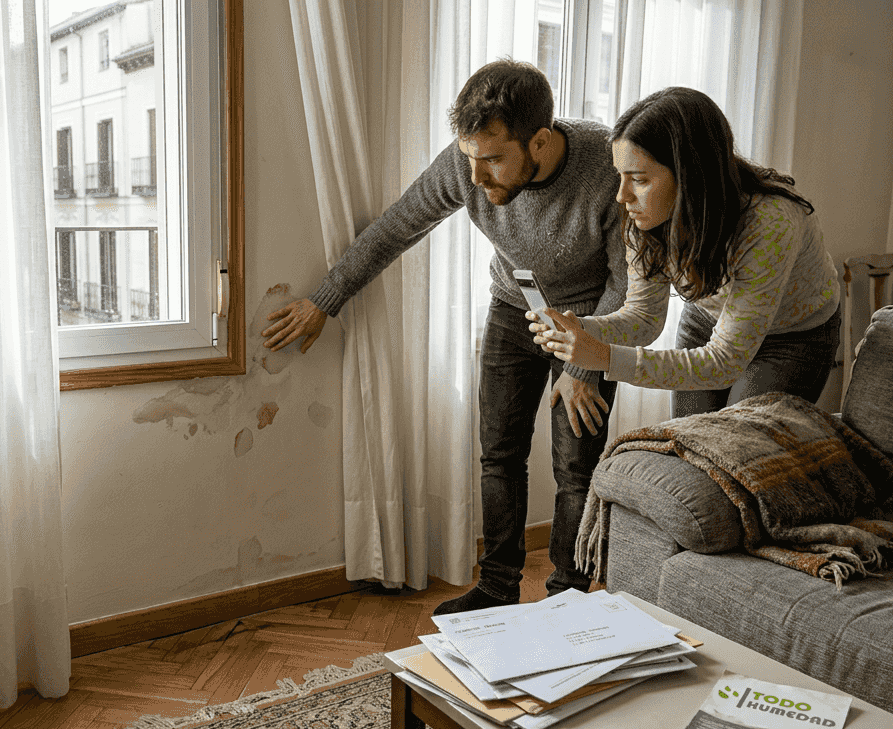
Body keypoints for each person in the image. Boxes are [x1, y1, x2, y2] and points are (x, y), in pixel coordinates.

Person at [261, 60, 627, 616]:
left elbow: (628, 287)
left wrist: (583, 365)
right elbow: (395, 228)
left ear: (542, 142)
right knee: (499, 453)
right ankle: (498, 586)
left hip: (591, 322)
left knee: (576, 463)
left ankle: (566, 602)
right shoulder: (469, 164)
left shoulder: (605, 165)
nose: (476, 179)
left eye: (493, 160)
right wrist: (324, 301)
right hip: (515, 310)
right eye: (468, 157)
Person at [530, 86, 840, 419]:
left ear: (692, 176)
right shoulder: (645, 215)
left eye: (639, 179)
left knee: (733, 446)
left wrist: (605, 357)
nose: (622, 196)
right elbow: (643, 317)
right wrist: (582, 329)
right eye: (621, 176)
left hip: (792, 335)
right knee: (688, 441)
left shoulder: (770, 222)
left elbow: (722, 363)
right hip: (708, 317)